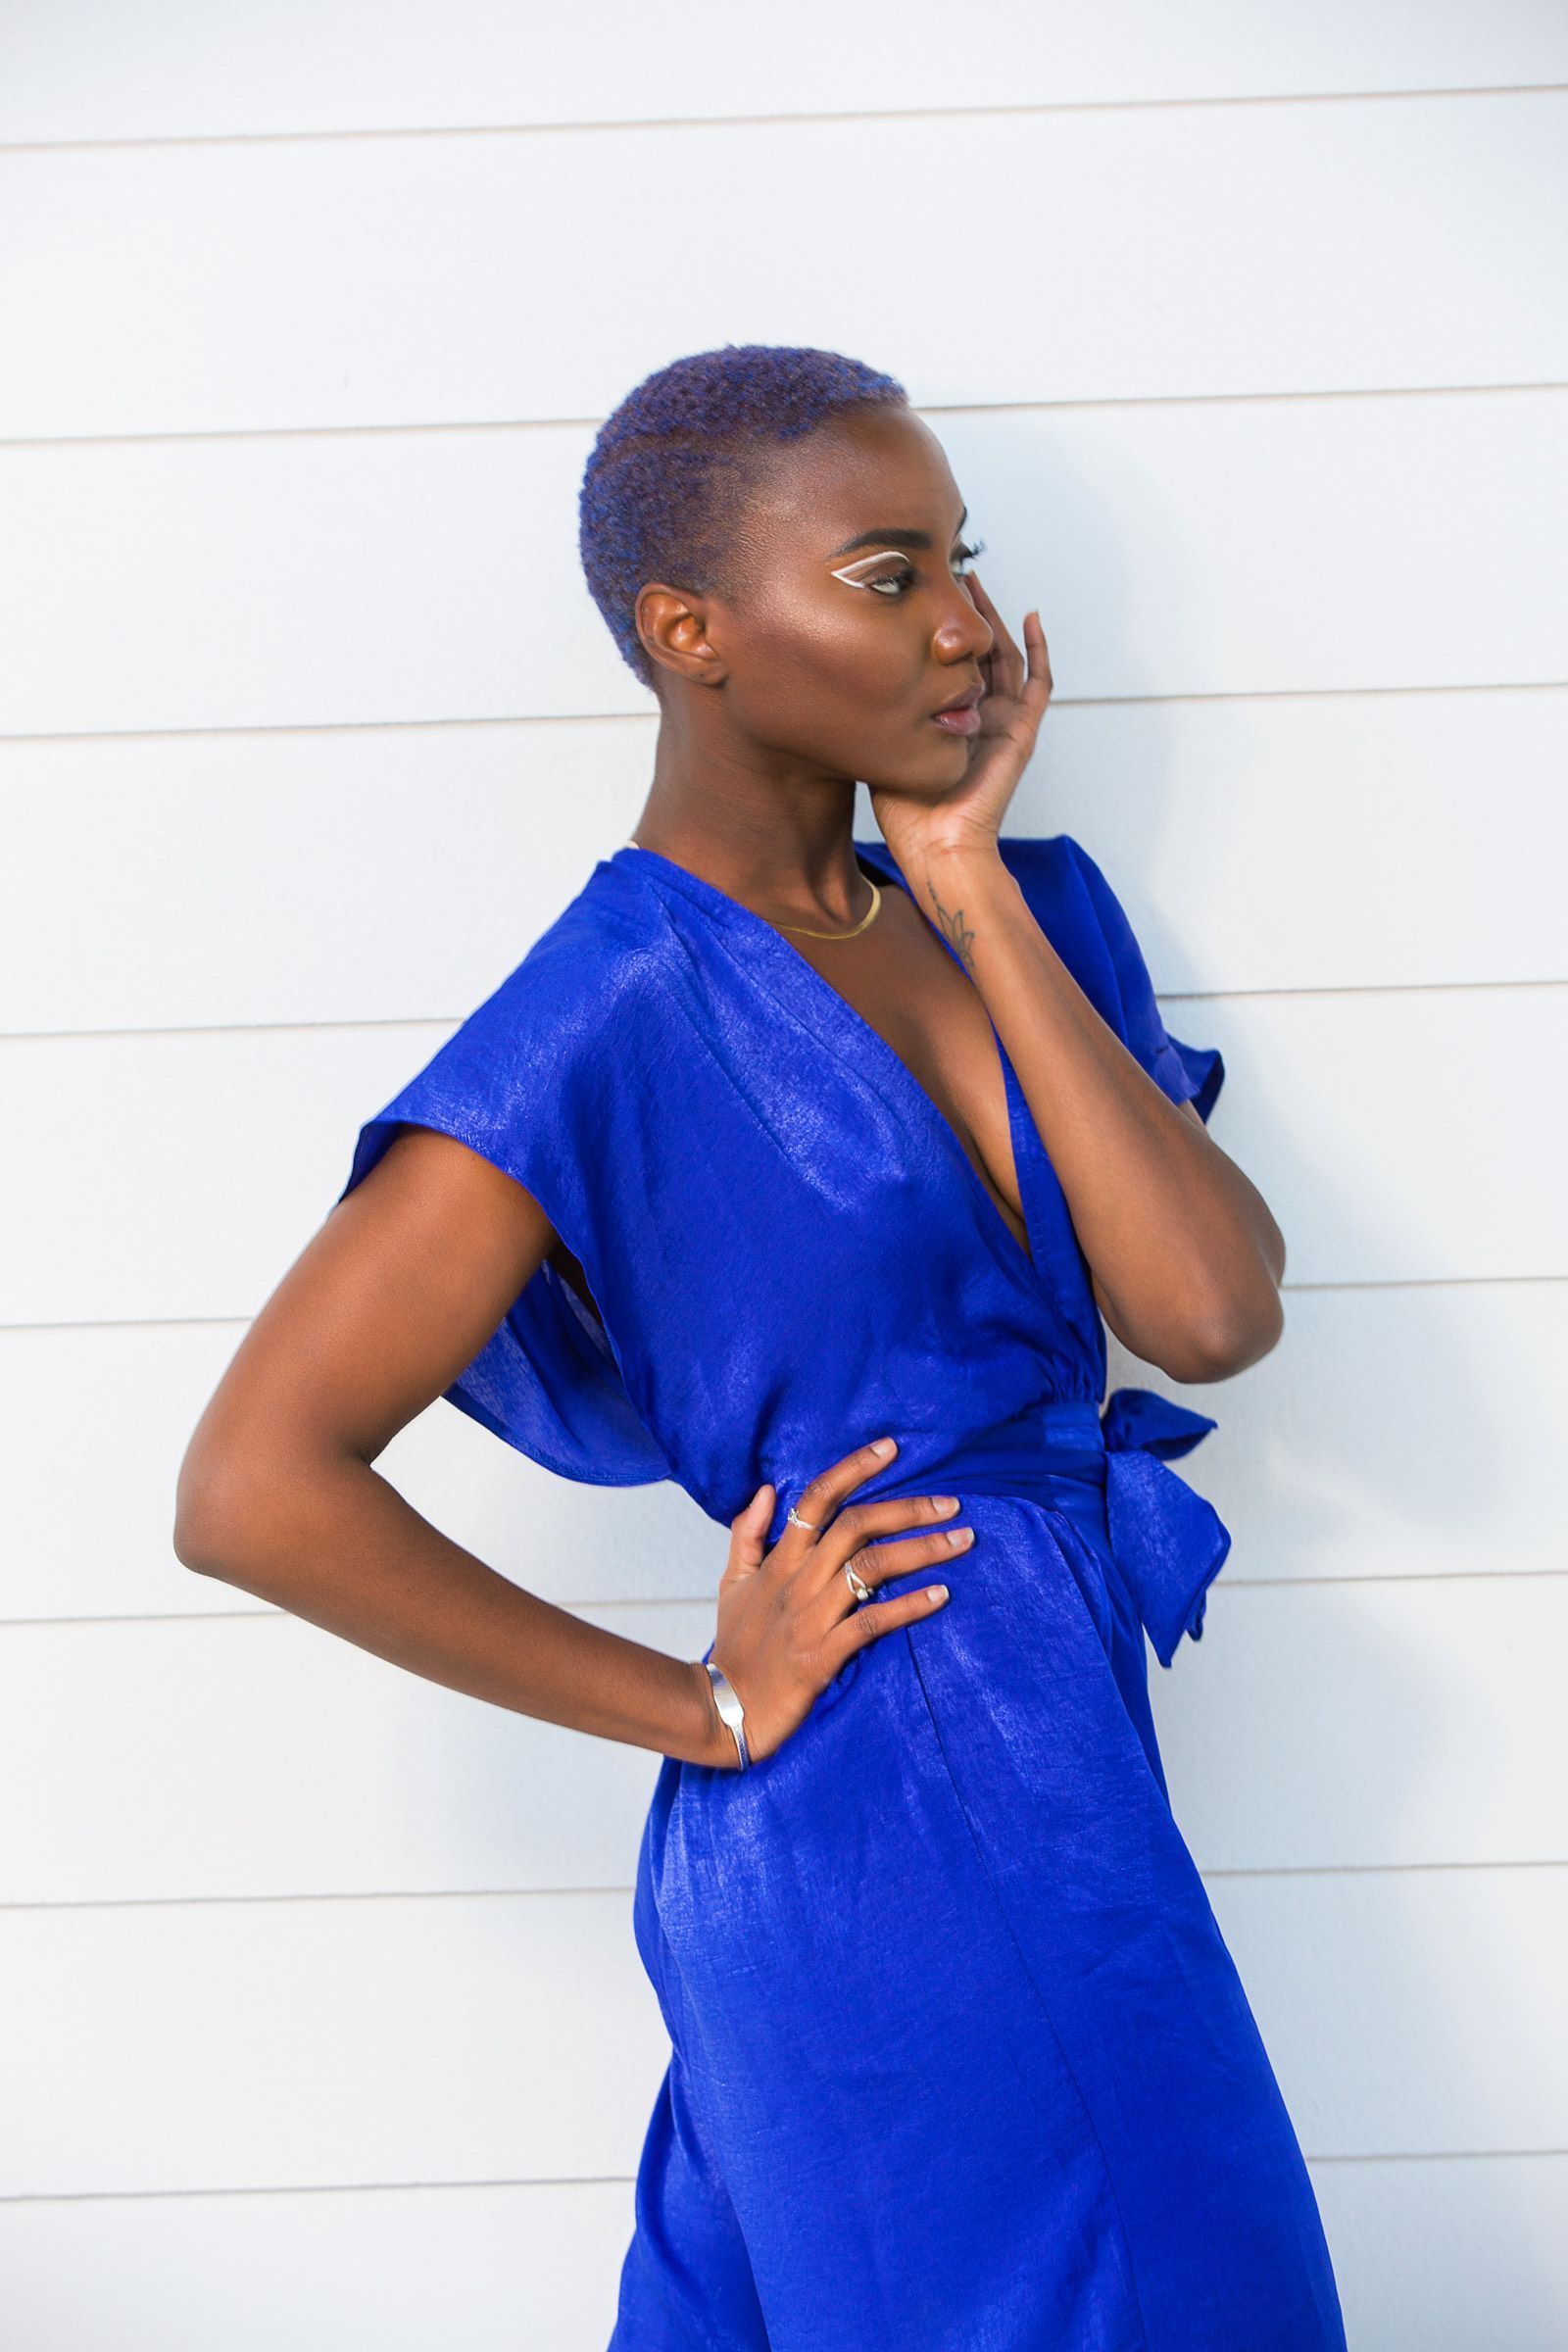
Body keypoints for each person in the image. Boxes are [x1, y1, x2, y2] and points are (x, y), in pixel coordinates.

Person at [175, 344, 1348, 2349]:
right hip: (866, 1797)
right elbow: (249, 1488)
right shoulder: (606, 1006)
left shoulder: (1016, 910)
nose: (966, 625)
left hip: (1050, 1765)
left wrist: (965, 879)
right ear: (689, 631)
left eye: (961, 562)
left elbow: (1207, 1312)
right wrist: (701, 1706)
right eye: (887, 574)